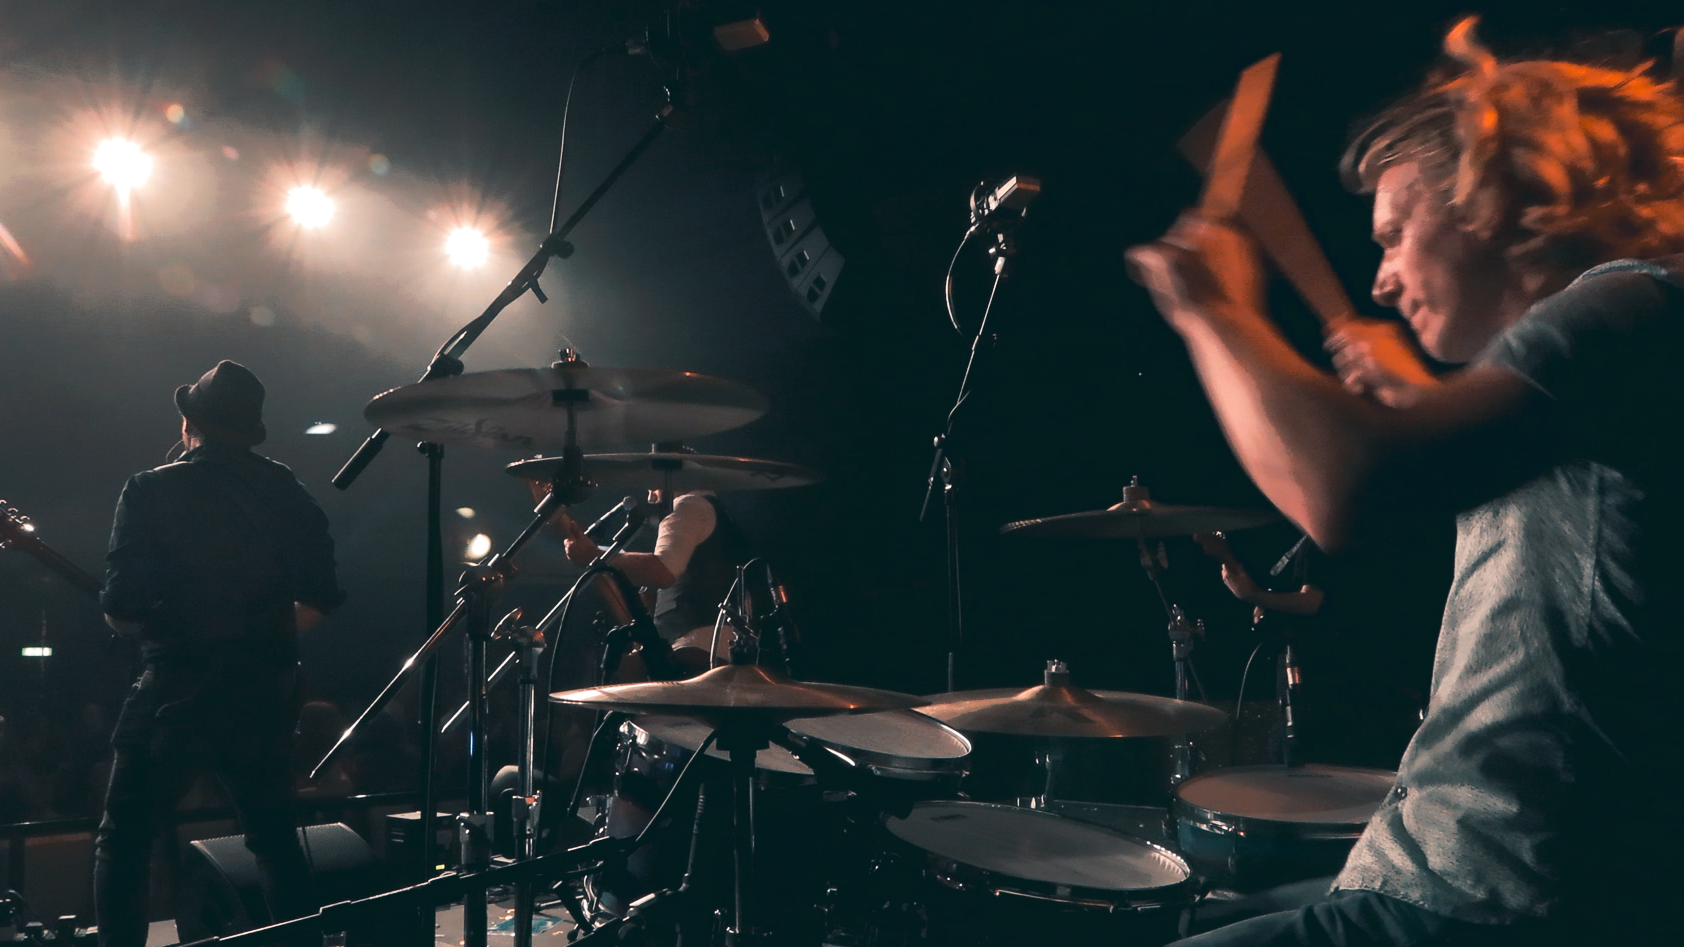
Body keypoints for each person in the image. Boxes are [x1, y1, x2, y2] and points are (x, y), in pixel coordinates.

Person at [1129, 18, 1684, 944]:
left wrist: (1214, 311)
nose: (1381, 281)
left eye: (1394, 233)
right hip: (1485, 878)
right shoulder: (1628, 340)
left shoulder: (1628, 303)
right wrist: (1420, 403)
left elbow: (1344, 488)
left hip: (1499, 894)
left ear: (1494, 199)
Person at [95, 360, 345, 947]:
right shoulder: (287, 489)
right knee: (274, 839)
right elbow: (322, 597)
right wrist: (258, 638)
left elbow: (121, 612)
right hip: (262, 690)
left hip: (174, 692)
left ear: (190, 423)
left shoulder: (150, 488)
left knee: (125, 839)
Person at [560, 486, 753, 673]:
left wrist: (592, 556)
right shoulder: (716, 512)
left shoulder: (689, 505)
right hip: (717, 652)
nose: (651, 498)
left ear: (673, 477)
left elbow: (662, 572)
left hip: (696, 651)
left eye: (654, 487)